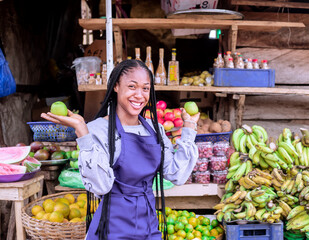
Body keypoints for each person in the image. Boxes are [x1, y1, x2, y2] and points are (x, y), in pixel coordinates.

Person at [41, 59, 199, 239]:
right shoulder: (98, 129)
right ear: (116, 86)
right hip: (112, 228)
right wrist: (83, 133)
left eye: (145, 88)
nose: (139, 95)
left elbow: (175, 173)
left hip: (149, 225)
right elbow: (100, 186)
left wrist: (189, 128)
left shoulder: (155, 129)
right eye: (132, 86)